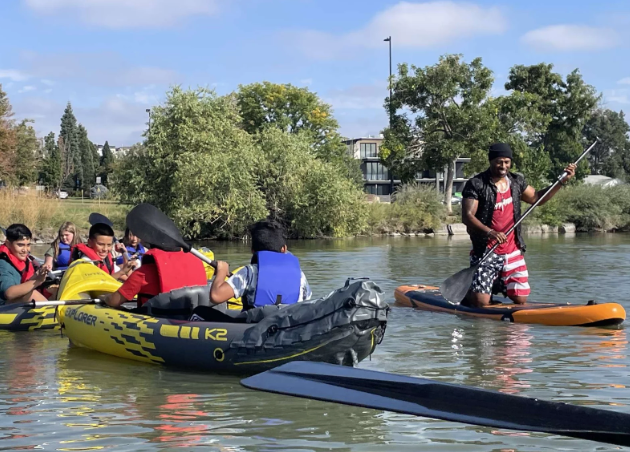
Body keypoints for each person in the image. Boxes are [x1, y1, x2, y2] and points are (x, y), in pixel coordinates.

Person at [461, 143, 576, 308]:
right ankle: (471, 291)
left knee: (520, 299)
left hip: (512, 249)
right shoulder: (477, 184)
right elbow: (467, 216)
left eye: (507, 162)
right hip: (486, 250)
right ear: (491, 161)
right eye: (499, 162)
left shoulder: (516, 182)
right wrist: (490, 232)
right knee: (481, 303)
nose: (503, 166)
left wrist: (561, 181)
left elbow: (537, 198)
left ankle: (496, 283)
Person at [210, 220, 311, 308]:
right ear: (284, 249)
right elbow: (307, 302)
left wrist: (221, 272)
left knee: (201, 312)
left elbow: (216, 296)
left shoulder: (250, 272)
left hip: (256, 326)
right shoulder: (300, 275)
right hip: (287, 325)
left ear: (253, 251)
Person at [103, 242, 207, 308]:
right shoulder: (194, 264)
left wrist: (104, 298)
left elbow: (114, 301)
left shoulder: (142, 273)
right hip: (189, 317)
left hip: (155, 319)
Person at [0, 224, 49, 304]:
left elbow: (23, 283)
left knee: (53, 291)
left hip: (13, 306)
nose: (25, 250)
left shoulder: (19, 257)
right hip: (3, 308)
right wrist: (37, 281)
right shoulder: (3, 264)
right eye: (20, 245)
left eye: (28, 245)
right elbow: (9, 293)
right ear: (8, 244)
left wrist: (37, 276)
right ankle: (54, 314)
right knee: (32, 294)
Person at [70, 223, 135, 281]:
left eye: (109, 245)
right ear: (90, 242)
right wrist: (122, 272)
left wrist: (124, 253)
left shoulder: (106, 259)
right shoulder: (85, 262)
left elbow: (129, 278)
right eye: (101, 244)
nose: (105, 249)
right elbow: (99, 283)